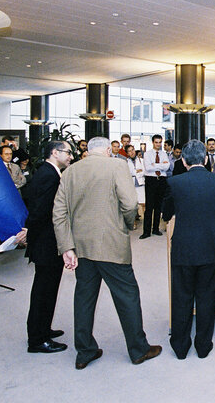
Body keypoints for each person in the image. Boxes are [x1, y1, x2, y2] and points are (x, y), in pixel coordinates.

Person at [53, 137, 161, 369]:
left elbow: (59, 212)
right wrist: (126, 225)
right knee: (127, 296)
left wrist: (66, 247)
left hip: (81, 246)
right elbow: (131, 204)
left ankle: (84, 352)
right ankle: (138, 350)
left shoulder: (70, 171)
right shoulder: (117, 166)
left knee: (84, 298)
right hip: (111, 244)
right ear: (106, 150)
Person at [161, 140, 215, 359]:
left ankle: (180, 347)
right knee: (206, 296)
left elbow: (166, 214)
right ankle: (203, 345)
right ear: (205, 160)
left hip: (183, 248)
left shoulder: (175, 182)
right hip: (211, 247)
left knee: (182, 295)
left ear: (183, 161)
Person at [24, 140, 73, 354]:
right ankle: (37, 339)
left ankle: (43, 328)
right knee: (44, 291)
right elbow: (41, 212)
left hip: (47, 241)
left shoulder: (49, 172)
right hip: (46, 242)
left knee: (47, 290)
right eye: (68, 152)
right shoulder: (48, 176)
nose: (71, 156)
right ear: (55, 152)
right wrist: (28, 232)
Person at [141, 134, 170, 239]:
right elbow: (148, 168)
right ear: (153, 142)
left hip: (161, 180)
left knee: (158, 206)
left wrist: (155, 165)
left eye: (160, 142)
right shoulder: (147, 154)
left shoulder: (164, 154)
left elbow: (166, 167)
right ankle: (146, 231)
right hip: (151, 180)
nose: (158, 144)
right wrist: (160, 165)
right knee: (149, 207)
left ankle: (156, 229)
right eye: (156, 142)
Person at [126, 145, 145, 228]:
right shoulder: (126, 162)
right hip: (131, 185)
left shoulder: (142, 160)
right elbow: (127, 173)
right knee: (133, 205)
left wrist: (135, 172)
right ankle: (133, 223)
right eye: (129, 151)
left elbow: (144, 171)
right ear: (127, 153)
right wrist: (136, 171)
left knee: (144, 204)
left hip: (141, 184)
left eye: (133, 150)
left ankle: (146, 223)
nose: (132, 152)